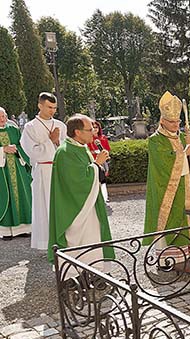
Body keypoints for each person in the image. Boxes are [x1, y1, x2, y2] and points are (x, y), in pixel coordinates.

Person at [47, 114, 115, 268]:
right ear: (77, 132)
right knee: (79, 240)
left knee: (92, 236)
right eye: (90, 129)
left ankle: (94, 269)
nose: (94, 132)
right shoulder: (65, 152)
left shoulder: (80, 147)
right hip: (75, 207)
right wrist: (97, 164)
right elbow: (76, 182)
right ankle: (73, 273)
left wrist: (98, 165)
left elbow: (89, 174)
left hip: (89, 205)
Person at [143, 92, 190, 264]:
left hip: (187, 186)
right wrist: (185, 154)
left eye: (178, 122)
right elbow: (164, 164)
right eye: (172, 122)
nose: (176, 125)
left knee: (188, 218)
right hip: (169, 188)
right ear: (162, 121)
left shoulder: (183, 136)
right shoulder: (156, 140)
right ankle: (168, 257)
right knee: (172, 219)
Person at [20, 92, 67, 250]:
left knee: (62, 204)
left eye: (54, 108)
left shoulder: (61, 125)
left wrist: (58, 142)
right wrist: (50, 141)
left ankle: (65, 237)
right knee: (45, 205)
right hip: (43, 170)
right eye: (49, 107)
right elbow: (31, 151)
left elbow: (67, 148)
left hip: (60, 169)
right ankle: (47, 242)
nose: (52, 111)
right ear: (40, 105)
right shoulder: (30, 127)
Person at [0, 107, 32, 240]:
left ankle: (23, 229)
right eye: (0, 117)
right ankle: (6, 231)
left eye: (4, 116)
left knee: (22, 195)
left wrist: (16, 150)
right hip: (2, 172)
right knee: (5, 198)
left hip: (18, 169)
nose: (2, 119)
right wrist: (3, 150)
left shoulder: (13, 129)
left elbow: (21, 145)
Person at [86, 120, 111, 204]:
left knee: (102, 179)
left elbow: (107, 149)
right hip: (92, 161)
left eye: (96, 127)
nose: (95, 129)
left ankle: (104, 197)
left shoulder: (103, 138)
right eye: (93, 127)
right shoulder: (88, 139)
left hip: (103, 161)